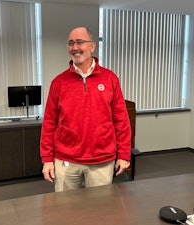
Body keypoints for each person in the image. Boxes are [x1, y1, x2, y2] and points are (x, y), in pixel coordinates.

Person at [40, 26, 131, 192]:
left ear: (92, 46)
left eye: (80, 42)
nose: (75, 47)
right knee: (65, 210)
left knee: (98, 210)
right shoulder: (58, 82)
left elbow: (121, 120)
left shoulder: (110, 79)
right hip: (66, 160)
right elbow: (49, 123)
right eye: (71, 43)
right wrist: (47, 159)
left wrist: (124, 155)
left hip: (101, 160)